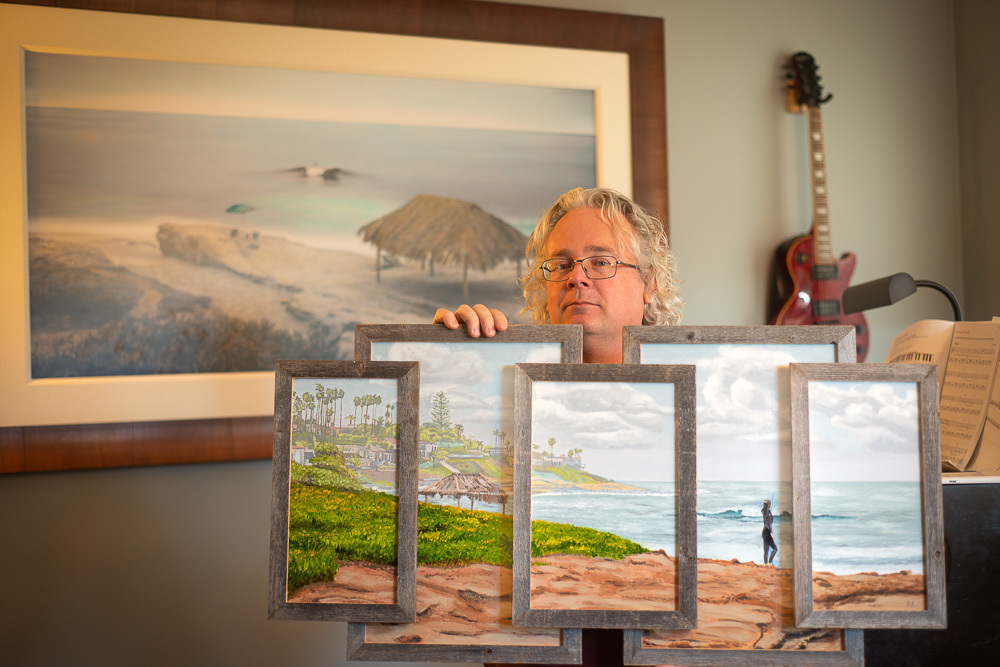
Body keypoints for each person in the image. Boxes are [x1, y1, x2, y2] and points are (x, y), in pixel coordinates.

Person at [434, 186, 682, 667]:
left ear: (648, 283)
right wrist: (443, 355)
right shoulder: (499, 389)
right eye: (561, 264)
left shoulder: (691, 403)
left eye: (601, 261)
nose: (578, 278)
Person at [762, 498, 778, 566]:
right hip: (767, 532)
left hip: (765, 532)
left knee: (766, 550)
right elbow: (768, 524)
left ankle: (766, 564)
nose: (770, 505)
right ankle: (769, 563)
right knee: (775, 549)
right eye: (769, 504)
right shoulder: (766, 512)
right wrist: (771, 533)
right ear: (767, 505)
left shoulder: (768, 512)